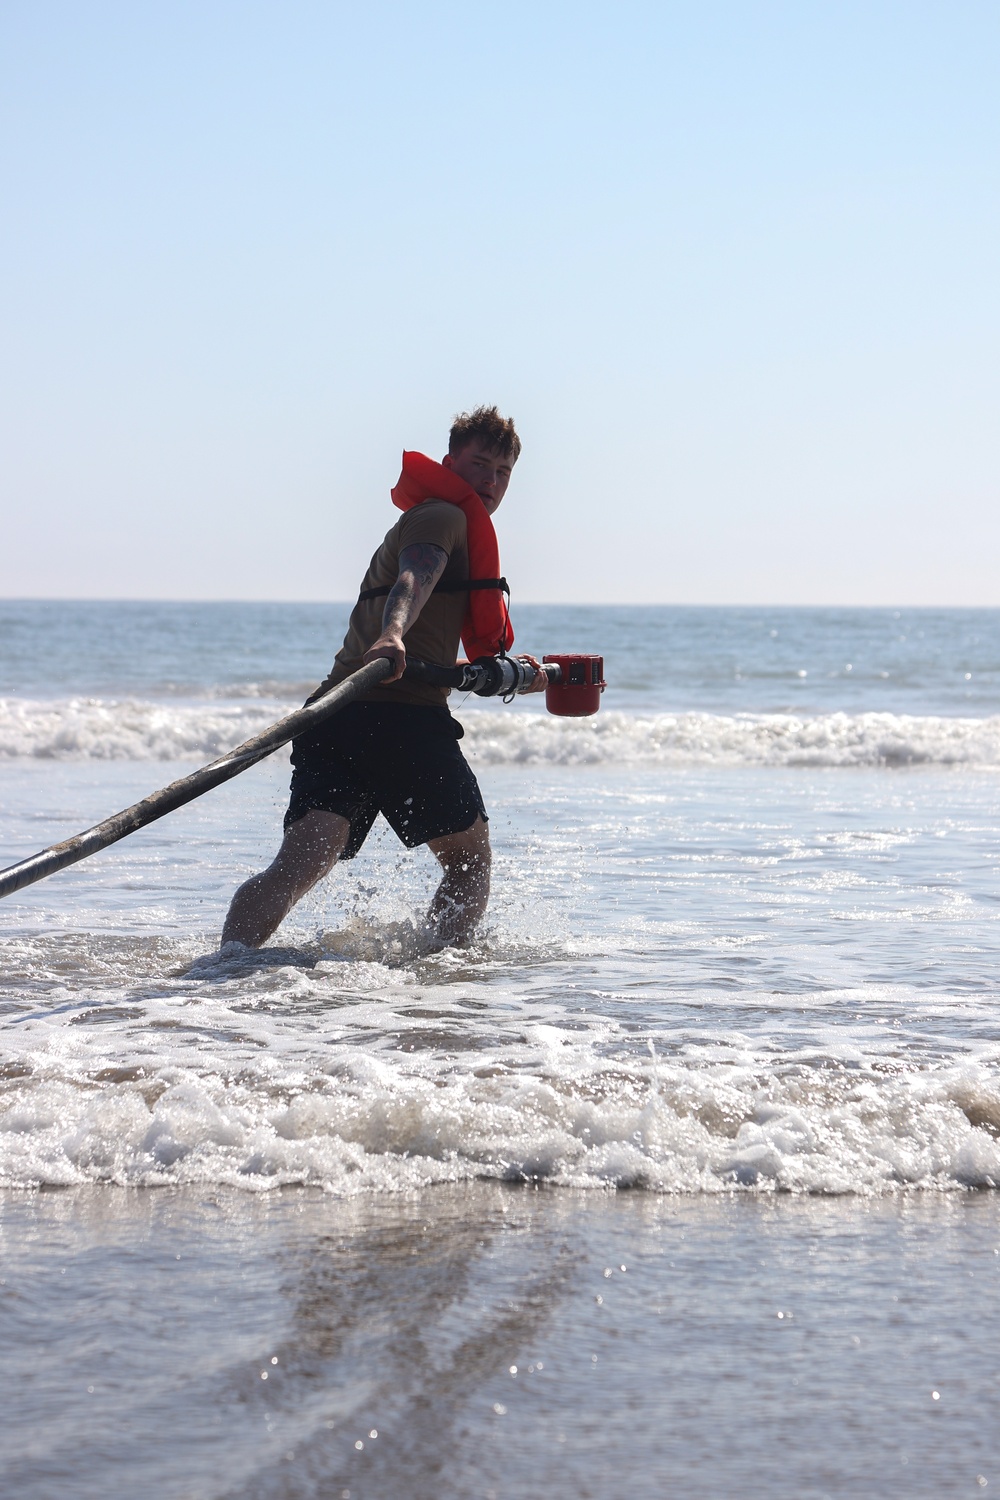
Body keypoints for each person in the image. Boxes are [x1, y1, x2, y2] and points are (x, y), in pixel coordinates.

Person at [220, 405, 545, 951]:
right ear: (449, 462)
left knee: (300, 865)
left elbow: (445, 639)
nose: (490, 481)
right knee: (468, 861)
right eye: (480, 465)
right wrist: (393, 633)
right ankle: (441, 980)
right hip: (403, 716)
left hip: (336, 712)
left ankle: (222, 970)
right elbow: (416, 576)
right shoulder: (443, 516)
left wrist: (517, 675)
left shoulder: (443, 518)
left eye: (503, 472)